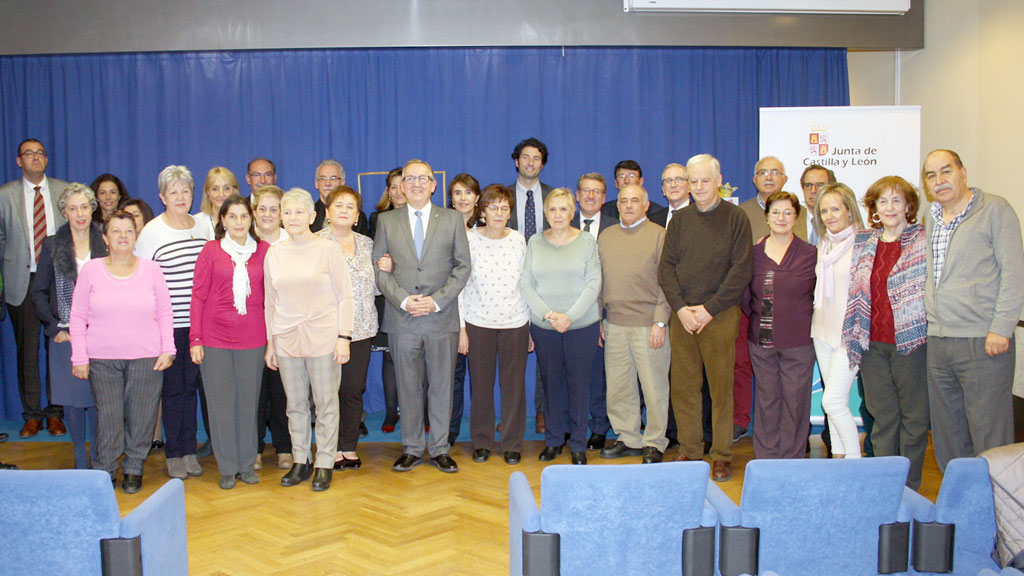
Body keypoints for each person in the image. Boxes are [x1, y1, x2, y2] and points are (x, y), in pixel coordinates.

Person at [921, 149, 1024, 471]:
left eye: (946, 171)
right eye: (931, 175)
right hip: (938, 341)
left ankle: (999, 515)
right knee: (949, 436)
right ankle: (960, 510)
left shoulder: (994, 209)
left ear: (963, 172)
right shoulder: (931, 216)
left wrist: (1000, 327)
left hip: (983, 340)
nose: (940, 180)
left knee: (990, 436)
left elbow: (1013, 272)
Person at [373, 159, 471, 474]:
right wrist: (403, 301)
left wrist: (437, 302)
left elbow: (462, 266)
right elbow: (380, 269)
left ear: (433, 184)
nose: (415, 184)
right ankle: (413, 449)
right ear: (401, 185)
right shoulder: (386, 221)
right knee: (409, 385)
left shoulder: (452, 219)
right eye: (409, 178)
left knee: (442, 385)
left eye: (422, 178)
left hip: (440, 317)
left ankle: (441, 448)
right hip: (403, 319)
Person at [658, 154, 752, 482]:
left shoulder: (736, 218)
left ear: (718, 180)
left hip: (720, 315)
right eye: (693, 181)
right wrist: (682, 309)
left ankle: (722, 455)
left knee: (721, 388)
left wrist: (709, 309)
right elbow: (665, 268)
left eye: (705, 181)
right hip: (683, 317)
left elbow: (741, 269)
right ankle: (690, 450)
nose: (698, 187)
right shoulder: (679, 221)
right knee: (684, 387)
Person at [69, 210, 175, 493]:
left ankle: (133, 467)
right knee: (109, 418)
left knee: (142, 416)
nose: (123, 236)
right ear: (105, 238)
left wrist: (169, 350)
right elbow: (77, 316)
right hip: (102, 359)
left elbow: (165, 313)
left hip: (147, 357)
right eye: (116, 231)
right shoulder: (91, 270)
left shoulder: (152, 269)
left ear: (136, 235)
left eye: (128, 230)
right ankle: (104, 469)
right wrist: (79, 357)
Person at [842, 176, 928, 488]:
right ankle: (885, 485)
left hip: (911, 343)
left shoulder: (922, 239)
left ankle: (909, 486)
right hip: (872, 344)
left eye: (897, 200)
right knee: (882, 417)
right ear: (874, 208)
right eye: (883, 201)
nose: (889, 207)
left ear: (909, 206)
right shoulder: (864, 242)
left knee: (914, 420)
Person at [265, 188, 354, 491]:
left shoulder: (328, 249)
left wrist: (343, 337)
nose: (292, 218)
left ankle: (325, 461)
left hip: (323, 337)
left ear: (313, 216)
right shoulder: (274, 253)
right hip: (286, 338)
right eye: (287, 212)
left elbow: (345, 297)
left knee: (326, 404)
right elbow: (269, 302)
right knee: (295, 405)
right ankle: (300, 459)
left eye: (299, 212)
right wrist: (270, 344)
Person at [134, 165, 213, 480]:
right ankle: (175, 453)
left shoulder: (205, 225)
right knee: (173, 390)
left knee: (193, 388)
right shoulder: (152, 231)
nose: (181, 197)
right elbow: (141, 281)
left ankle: (190, 450)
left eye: (185, 190)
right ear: (162, 196)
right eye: (173, 192)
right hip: (168, 327)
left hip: (202, 327)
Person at [189, 195, 269, 489]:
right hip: (214, 339)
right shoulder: (211, 251)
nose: (238, 222)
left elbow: (272, 300)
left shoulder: (264, 251)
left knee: (248, 403)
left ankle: (247, 464)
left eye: (243, 216)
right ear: (222, 221)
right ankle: (226, 467)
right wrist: (195, 339)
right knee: (220, 404)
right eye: (232, 216)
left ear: (252, 220)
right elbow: (198, 296)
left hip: (253, 338)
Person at [521, 188, 601, 465]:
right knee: (551, 384)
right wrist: (549, 315)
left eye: (563, 209)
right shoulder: (534, 242)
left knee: (579, 385)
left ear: (573, 212)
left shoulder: (587, 242)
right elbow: (526, 284)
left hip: (581, 326)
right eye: (552, 209)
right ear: (545, 213)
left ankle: (578, 444)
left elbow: (593, 283)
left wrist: (570, 316)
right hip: (545, 326)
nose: (557, 215)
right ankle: (554, 441)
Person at [32, 183, 109, 469]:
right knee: (74, 400)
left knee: (101, 398)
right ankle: (80, 456)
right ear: (64, 212)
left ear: (93, 209)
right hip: (66, 334)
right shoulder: (52, 244)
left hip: (103, 333)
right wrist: (54, 328)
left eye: (85, 207)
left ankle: (101, 458)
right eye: (73, 208)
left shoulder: (106, 239)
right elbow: (38, 292)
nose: (79, 213)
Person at [597, 184, 672, 464]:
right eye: (624, 201)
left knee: (654, 387)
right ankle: (628, 437)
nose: (628, 205)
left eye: (635, 201)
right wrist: (599, 318)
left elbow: (668, 283)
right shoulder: (606, 237)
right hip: (614, 323)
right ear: (617, 206)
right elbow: (599, 280)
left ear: (646, 204)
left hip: (648, 325)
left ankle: (654, 441)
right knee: (619, 386)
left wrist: (660, 322)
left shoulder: (659, 236)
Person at [0, 138, 69, 438]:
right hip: (22, 280)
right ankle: (32, 415)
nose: (36, 158)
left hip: (58, 279)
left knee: (57, 347)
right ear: (19, 161)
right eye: (29, 154)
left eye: (41, 153)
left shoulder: (63, 191)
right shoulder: (5, 195)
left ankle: (56, 413)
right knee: (27, 352)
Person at [459, 185, 529, 465]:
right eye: (493, 207)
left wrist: (530, 326)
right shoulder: (468, 240)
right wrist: (461, 327)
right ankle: (482, 441)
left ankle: (512, 443)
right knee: (481, 385)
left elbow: (526, 283)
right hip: (478, 322)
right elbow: (460, 287)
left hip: (515, 322)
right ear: (483, 211)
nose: (499, 213)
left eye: (504, 208)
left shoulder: (519, 240)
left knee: (514, 387)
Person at [744, 191, 817, 459]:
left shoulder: (811, 254)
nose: (781, 218)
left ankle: (791, 458)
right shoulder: (753, 254)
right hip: (761, 342)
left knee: (795, 402)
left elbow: (818, 296)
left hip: (798, 342)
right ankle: (766, 458)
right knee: (767, 400)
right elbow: (745, 296)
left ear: (796, 217)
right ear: (766, 217)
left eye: (788, 212)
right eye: (775, 212)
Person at [316, 186, 378, 472]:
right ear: (327, 213)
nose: (344, 210)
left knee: (353, 389)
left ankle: (348, 447)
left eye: (350, 206)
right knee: (327, 392)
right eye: (338, 205)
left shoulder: (368, 244)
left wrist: (386, 268)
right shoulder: (315, 244)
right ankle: (328, 449)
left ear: (356, 216)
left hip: (362, 329)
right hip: (326, 331)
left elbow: (376, 287)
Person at [811, 182, 866, 459]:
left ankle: (855, 466)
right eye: (824, 211)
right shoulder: (825, 243)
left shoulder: (865, 242)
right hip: (821, 330)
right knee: (837, 404)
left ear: (849, 209)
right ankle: (839, 459)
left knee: (831, 401)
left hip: (849, 335)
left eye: (835, 209)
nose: (830, 216)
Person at [504, 138, 553, 434]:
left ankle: (543, 412)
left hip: (547, 285)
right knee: (513, 359)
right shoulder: (502, 197)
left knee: (547, 353)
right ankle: (513, 415)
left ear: (542, 164)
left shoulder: (554, 197)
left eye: (536, 158)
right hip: (508, 286)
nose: (530, 162)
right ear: (516, 161)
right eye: (525, 157)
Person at [571, 173, 616, 451]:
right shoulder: (561, 224)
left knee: (599, 377)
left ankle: (599, 427)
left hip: (601, 314)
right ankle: (567, 426)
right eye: (586, 191)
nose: (590, 196)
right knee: (568, 376)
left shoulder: (615, 227)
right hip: (566, 315)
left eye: (597, 192)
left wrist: (602, 315)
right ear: (577, 195)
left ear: (603, 197)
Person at [251, 185, 292, 470]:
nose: (267, 214)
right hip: (251, 327)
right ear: (254, 212)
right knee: (253, 391)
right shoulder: (243, 241)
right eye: (261, 208)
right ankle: (253, 447)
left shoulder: (293, 242)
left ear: (282, 214)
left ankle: (284, 446)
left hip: (286, 326)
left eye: (273, 209)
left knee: (283, 389)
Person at [368, 167, 405, 433]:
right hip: (387, 297)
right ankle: (391, 413)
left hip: (419, 297)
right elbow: (376, 258)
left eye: (403, 185)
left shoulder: (426, 217)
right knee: (391, 358)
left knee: (420, 358)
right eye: (393, 186)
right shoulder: (377, 218)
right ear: (388, 191)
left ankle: (422, 412)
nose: (398, 190)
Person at [449, 173, 481, 445]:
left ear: (477, 198)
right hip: (450, 314)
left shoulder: (485, 230)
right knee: (454, 377)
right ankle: (450, 432)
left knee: (481, 378)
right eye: (458, 193)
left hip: (482, 313)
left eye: (468, 193)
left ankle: (481, 435)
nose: (463, 198)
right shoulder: (443, 228)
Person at [311, 159, 369, 234]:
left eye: (333, 178)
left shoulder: (356, 216)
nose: (327, 183)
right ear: (316, 183)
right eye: (323, 178)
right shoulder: (308, 213)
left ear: (342, 182)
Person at [194, 167, 240, 237]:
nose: (221, 194)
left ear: (234, 191)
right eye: (215, 189)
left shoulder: (243, 221)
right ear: (208, 192)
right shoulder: (197, 223)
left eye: (227, 188)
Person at [799, 164, 835, 246]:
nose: (813, 190)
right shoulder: (792, 221)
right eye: (808, 185)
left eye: (820, 185)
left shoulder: (840, 221)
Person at [650, 163, 690, 228]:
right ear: (663, 190)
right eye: (668, 181)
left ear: (689, 186)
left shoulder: (700, 217)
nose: (673, 185)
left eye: (679, 180)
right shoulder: (653, 221)